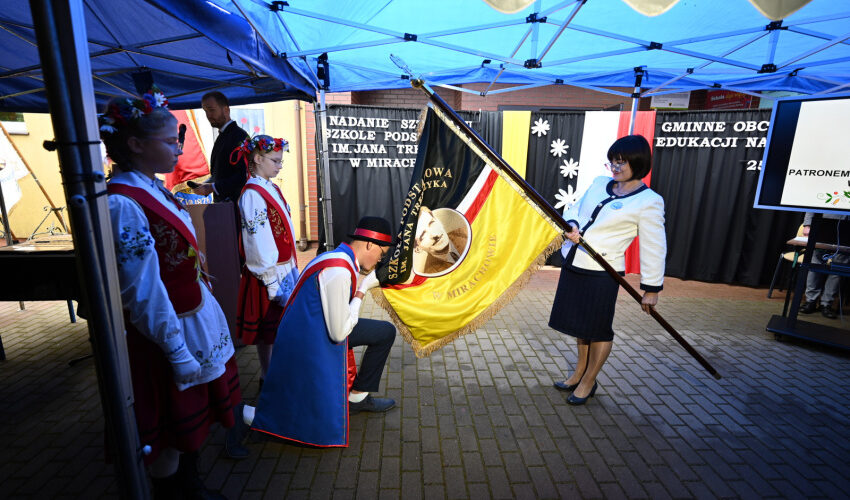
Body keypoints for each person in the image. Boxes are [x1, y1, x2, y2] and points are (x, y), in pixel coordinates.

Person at [99, 88, 243, 497]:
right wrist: (176, 350)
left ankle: (190, 484)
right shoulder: (123, 203)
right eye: (169, 141)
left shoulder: (151, 187)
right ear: (135, 144)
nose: (178, 149)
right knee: (168, 430)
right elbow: (142, 291)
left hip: (188, 317)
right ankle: (176, 492)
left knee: (189, 424)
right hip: (164, 334)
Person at [237, 217, 398, 448]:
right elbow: (339, 333)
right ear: (370, 245)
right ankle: (245, 416)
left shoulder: (338, 257)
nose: (380, 260)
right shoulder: (339, 270)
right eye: (382, 254)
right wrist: (363, 290)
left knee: (384, 332)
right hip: (310, 341)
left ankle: (357, 397)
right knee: (381, 332)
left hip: (310, 329)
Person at [549, 135, 666, 406]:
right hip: (574, 263)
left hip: (603, 273)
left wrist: (651, 289)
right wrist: (573, 224)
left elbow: (654, 246)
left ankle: (589, 381)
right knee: (581, 325)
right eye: (613, 161)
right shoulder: (600, 183)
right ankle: (578, 372)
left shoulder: (649, 201)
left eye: (622, 162)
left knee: (598, 329)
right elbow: (575, 208)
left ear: (638, 163)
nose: (615, 167)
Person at [234, 135, 299, 386]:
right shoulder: (252, 194)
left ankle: (276, 372)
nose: (279, 166)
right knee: (268, 331)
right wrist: (271, 281)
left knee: (277, 329)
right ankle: (268, 375)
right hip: (268, 272)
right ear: (258, 159)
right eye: (275, 161)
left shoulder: (269, 186)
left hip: (283, 268)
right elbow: (257, 239)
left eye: (281, 161)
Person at [192, 91, 249, 203]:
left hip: (236, 206)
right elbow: (222, 173)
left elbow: (244, 174)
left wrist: (213, 187)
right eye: (205, 111)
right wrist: (207, 184)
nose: (208, 115)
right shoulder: (224, 135)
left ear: (226, 110)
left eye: (212, 110)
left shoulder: (239, 135)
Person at [800, 212, 849, 319]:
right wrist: (808, 224)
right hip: (823, 225)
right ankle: (810, 301)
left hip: (847, 228)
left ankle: (826, 304)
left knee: (839, 267)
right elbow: (812, 205)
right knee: (814, 264)